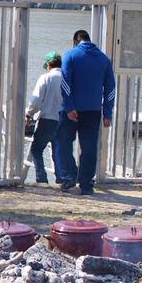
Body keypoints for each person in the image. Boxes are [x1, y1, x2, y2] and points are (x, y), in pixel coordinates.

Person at [56, 29, 116, 196]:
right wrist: (108, 113)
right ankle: (87, 184)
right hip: (93, 111)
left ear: (76, 41)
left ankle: (69, 178)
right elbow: (110, 88)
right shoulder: (104, 59)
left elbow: (65, 84)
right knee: (89, 148)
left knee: (63, 142)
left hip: (72, 110)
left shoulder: (70, 55)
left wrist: (69, 107)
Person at [25, 51, 65, 186]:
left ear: (48, 64)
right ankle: (61, 178)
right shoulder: (67, 78)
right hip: (64, 120)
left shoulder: (45, 78)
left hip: (47, 119)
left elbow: (36, 100)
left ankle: (41, 179)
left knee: (36, 149)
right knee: (58, 150)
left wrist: (29, 114)